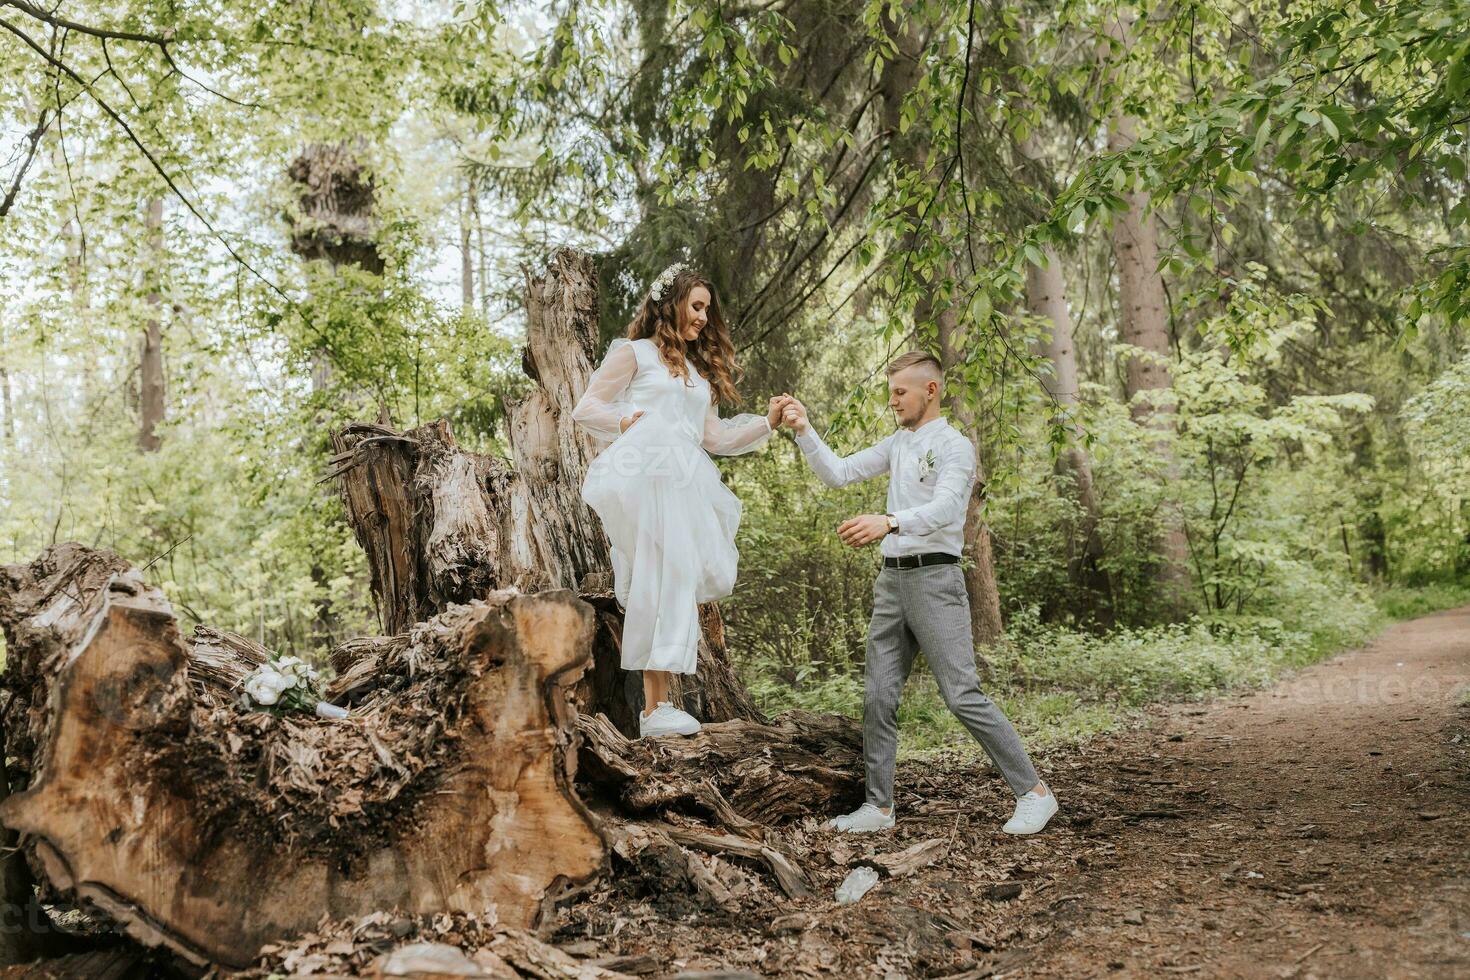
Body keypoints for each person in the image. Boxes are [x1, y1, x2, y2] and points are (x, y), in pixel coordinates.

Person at [778, 351, 1058, 835]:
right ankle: (879, 807)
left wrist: (888, 521)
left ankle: (1034, 793)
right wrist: (804, 430)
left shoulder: (954, 446)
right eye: (891, 392)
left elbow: (949, 508)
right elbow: (839, 473)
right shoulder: (897, 444)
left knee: (962, 695)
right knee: (878, 697)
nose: (893, 401)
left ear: (930, 390)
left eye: (900, 392)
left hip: (936, 581)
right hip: (892, 583)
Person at [571, 262, 791, 738]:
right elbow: (586, 407)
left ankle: (660, 705)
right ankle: (654, 709)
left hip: (685, 483)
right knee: (659, 575)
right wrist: (627, 421)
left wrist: (767, 423)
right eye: (696, 307)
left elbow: (713, 436)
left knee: (679, 580)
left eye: (707, 310)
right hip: (647, 479)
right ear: (669, 304)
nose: (703, 319)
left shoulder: (697, 375)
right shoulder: (634, 355)